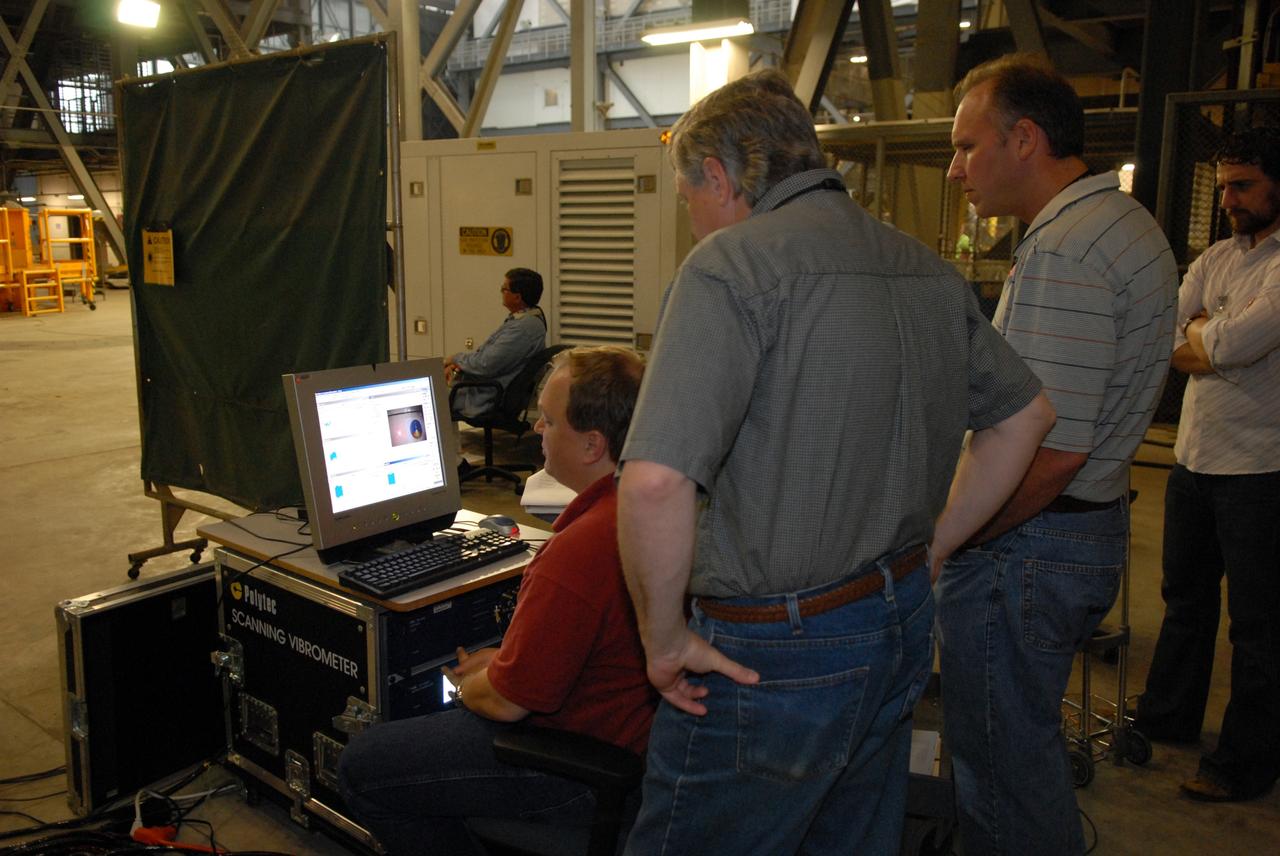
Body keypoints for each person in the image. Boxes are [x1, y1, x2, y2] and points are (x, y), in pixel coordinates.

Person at [617, 69, 1055, 855]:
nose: (691, 222)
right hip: (896, 622)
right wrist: (935, 546)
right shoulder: (924, 267)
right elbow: (1027, 415)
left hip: (773, 651)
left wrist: (662, 639)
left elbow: (654, 481)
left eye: (688, 199)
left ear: (717, 175)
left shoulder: (729, 270)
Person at [937, 54, 1178, 854]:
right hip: (1075, 533)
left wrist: (944, 542)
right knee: (1023, 750)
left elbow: (1050, 450)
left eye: (969, 146)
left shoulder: (1066, 251)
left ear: (1026, 139)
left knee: (1003, 765)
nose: (954, 169)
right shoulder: (1120, 223)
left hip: (1030, 547)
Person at [339, 345, 657, 855]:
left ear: (593, 443)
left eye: (549, 422)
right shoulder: (647, 508)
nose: (536, 430)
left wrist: (475, 688)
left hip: (573, 769)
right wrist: (510, 662)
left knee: (363, 765)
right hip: (632, 747)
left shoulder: (580, 551)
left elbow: (508, 704)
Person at [1135, 126, 1280, 803]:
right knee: (1184, 603)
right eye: (1223, 185)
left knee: (1257, 626)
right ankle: (1168, 722)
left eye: (1243, 185)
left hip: (1262, 468)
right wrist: (1203, 337)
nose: (1229, 198)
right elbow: (1173, 336)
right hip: (1194, 461)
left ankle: (1244, 765)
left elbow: (1232, 346)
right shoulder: (1219, 256)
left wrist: (1203, 337)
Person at [445, 267, 547, 420]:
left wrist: (455, 359)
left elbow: (485, 364)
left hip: (483, 397)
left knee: (427, 395)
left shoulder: (523, 329)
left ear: (517, 297)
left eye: (503, 289)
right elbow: (486, 358)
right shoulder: (524, 321)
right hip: (484, 389)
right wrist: (459, 366)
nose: (501, 292)